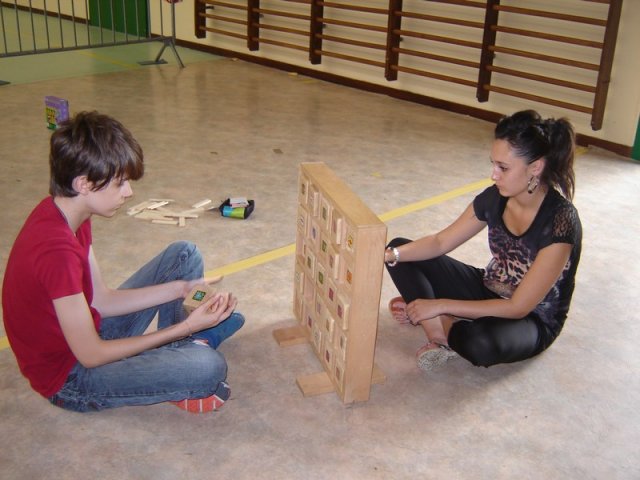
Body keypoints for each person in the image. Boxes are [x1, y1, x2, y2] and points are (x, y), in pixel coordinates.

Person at [2, 111, 245, 413]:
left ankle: (183, 348)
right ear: (84, 184)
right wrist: (181, 329)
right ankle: (188, 346)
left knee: (185, 254)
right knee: (209, 368)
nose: (128, 193)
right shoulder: (56, 252)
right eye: (120, 183)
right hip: (72, 378)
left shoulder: (70, 212)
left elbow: (101, 301)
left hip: (86, 334)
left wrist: (180, 289)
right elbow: (91, 355)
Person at [384, 110, 581, 371]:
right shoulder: (495, 197)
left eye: (503, 167)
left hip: (532, 318)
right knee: (401, 250)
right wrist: (389, 256)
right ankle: (438, 333)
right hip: (490, 286)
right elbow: (440, 242)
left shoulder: (560, 222)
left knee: (479, 343)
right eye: (493, 164)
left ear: (535, 167)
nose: (494, 175)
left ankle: (441, 317)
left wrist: (438, 304)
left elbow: (518, 306)